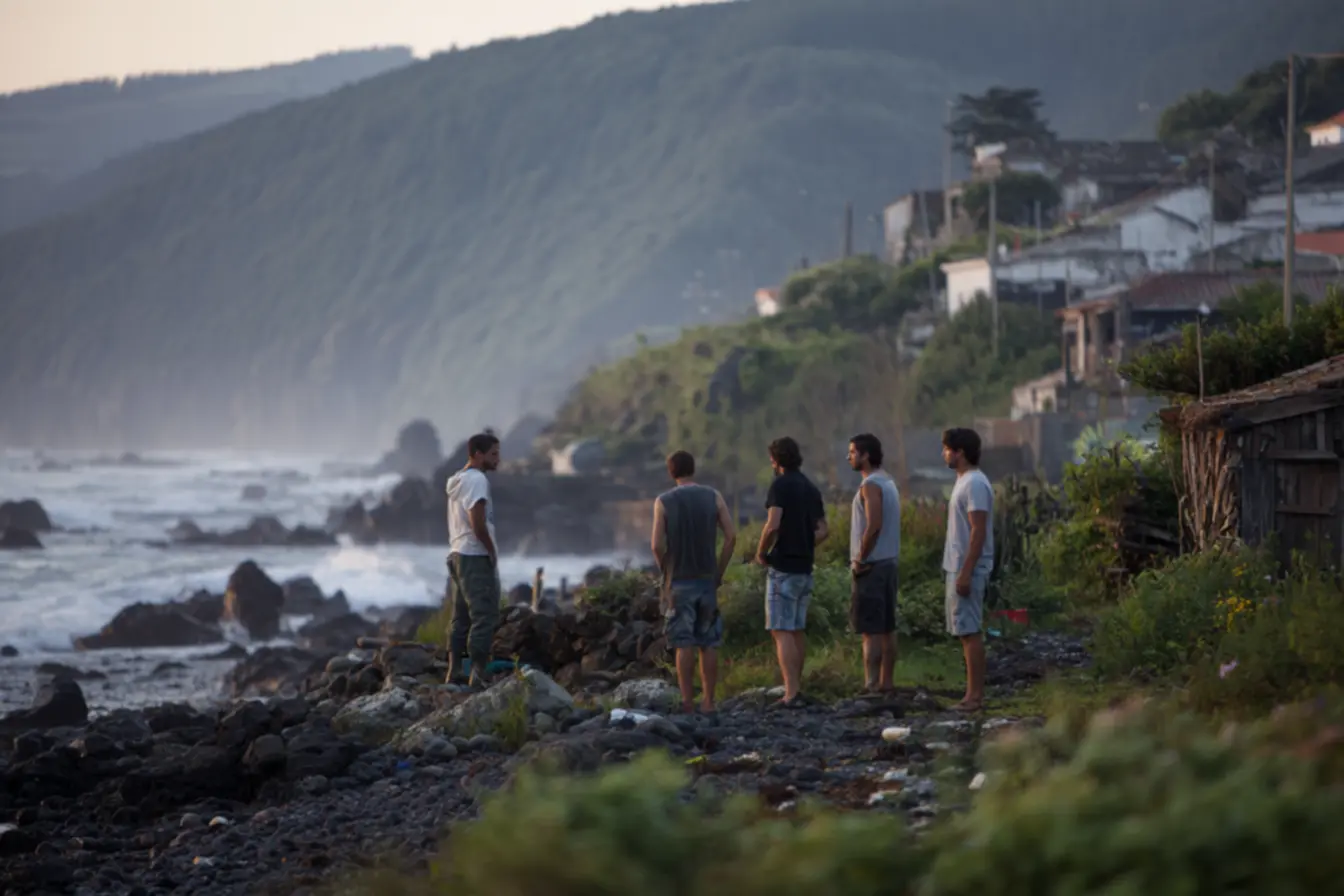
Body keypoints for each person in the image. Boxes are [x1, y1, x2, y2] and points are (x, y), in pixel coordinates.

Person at [651, 450, 736, 714]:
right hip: (707, 579)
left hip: (679, 581)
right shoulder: (713, 496)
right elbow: (731, 537)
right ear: (693, 468)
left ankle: (688, 702)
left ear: (671, 472)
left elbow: (656, 545)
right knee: (709, 642)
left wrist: (666, 570)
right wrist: (719, 571)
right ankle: (709, 701)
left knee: (683, 643)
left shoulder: (663, 501)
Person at [753, 436, 828, 707]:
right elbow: (823, 530)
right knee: (796, 629)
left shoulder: (780, 485)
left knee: (780, 629)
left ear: (776, 460)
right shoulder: (810, 487)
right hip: (805, 567)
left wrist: (761, 551)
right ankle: (797, 687)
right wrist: (805, 543)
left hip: (783, 566)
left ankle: (791, 692)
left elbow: (773, 524)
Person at [941, 427, 994, 712]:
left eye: (947, 449)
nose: (944, 454)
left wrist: (966, 571)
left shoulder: (974, 483)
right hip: (958, 565)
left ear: (959, 452)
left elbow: (978, 530)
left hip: (968, 567)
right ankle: (971, 694)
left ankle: (974, 697)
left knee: (970, 631)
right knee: (964, 631)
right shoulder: (963, 481)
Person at [444, 432, 502, 687]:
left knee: (461, 617)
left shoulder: (459, 479)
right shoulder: (477, 480)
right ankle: (478, 673)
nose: (498, 460)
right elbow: (477, 522)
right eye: (493, 454)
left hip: (457, 552)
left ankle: (454, 670)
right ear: (478, 454)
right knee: (484, 614)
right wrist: (490, 549)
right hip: (474, 555)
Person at [847, 433, 902, 696]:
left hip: (872, 565)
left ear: (865, 455)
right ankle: (886, 682)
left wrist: (860, 558)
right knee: (888, 627)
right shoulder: (888, 482)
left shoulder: (870, 485)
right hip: (889, 562)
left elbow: (874, 524)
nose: (849, 457)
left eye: (852, 452)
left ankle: (870, 684)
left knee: (870, 630)